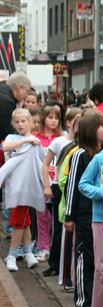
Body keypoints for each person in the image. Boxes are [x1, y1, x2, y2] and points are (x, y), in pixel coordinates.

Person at [65, 111, 103, 307]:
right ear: (90, 130)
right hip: (83, 215)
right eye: (101, 126)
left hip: (101, 215)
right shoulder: (79, 155)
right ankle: (82, 305)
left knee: (101, 262)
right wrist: (69, 216)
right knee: (85, 258)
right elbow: (73, 186)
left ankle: (97, 304)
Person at [0, 108, 44, 271]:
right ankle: (24, 253)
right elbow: (5, 146)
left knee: (21, 219)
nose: (20, 124)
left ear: (30, 122)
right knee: (22, 219)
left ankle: (18, 253)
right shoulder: (13, 138)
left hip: (28, 186)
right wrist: (26, 141)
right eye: (17, 122)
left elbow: (41, 163)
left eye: (23, 121)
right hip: (15, 186)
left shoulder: (36, 141)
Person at [41, 109, 81, 280]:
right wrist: (47, 186)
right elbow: (47, 164)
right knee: (59, 228)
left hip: (74, 188)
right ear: (69, 123)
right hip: (59, 187)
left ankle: (66, 267)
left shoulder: (83, 146)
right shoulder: (60, 142)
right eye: (76, 122)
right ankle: (55, 264)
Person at [33, 105, 63, 261]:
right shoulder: (35, 138)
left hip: (57, 183)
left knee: (55, 218)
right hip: (41, 181)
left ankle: (55, 248)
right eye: (50, 117)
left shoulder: (62, 137)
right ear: (43, 118)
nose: (53, 121)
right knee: (42, 216)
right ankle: (43, 248)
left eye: (56, 118)